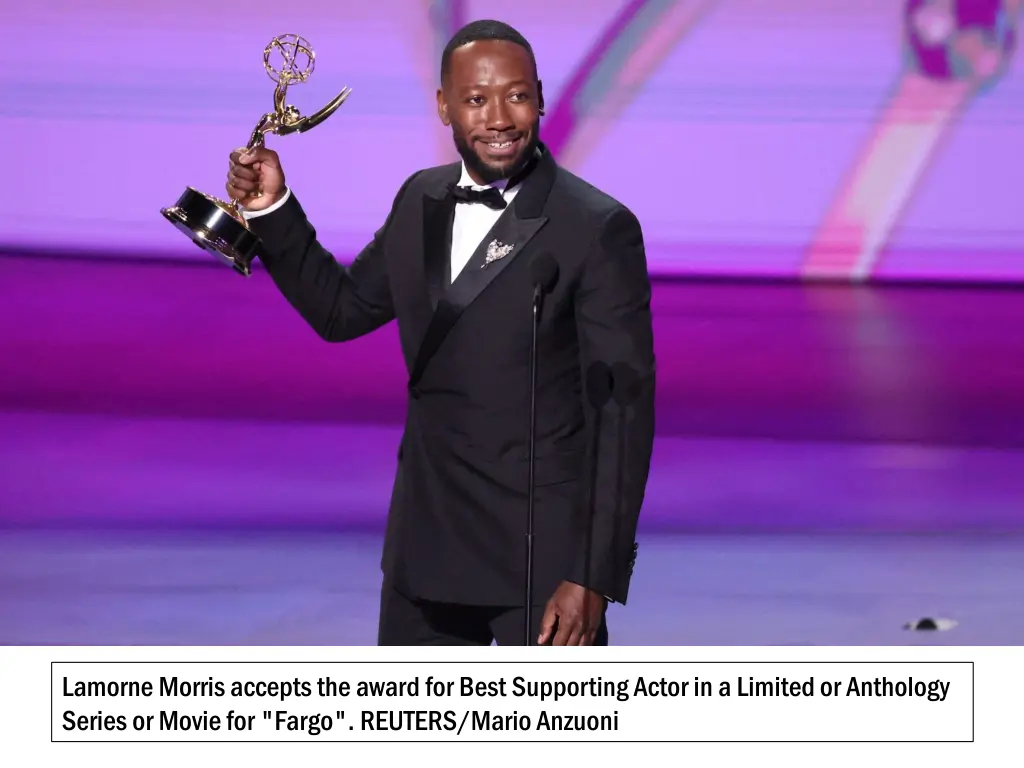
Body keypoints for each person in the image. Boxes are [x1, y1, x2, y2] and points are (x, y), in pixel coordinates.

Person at [226, 19, 655, 645]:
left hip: (541, 559)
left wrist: (593, 575)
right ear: (445, 106)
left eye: (517, 96)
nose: (500, 118)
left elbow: (622, 414)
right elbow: (341, 312)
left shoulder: (594, 226)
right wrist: (272, 209)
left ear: (539, 95)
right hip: (426, 546)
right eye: (477, 99)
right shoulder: (419, 202)